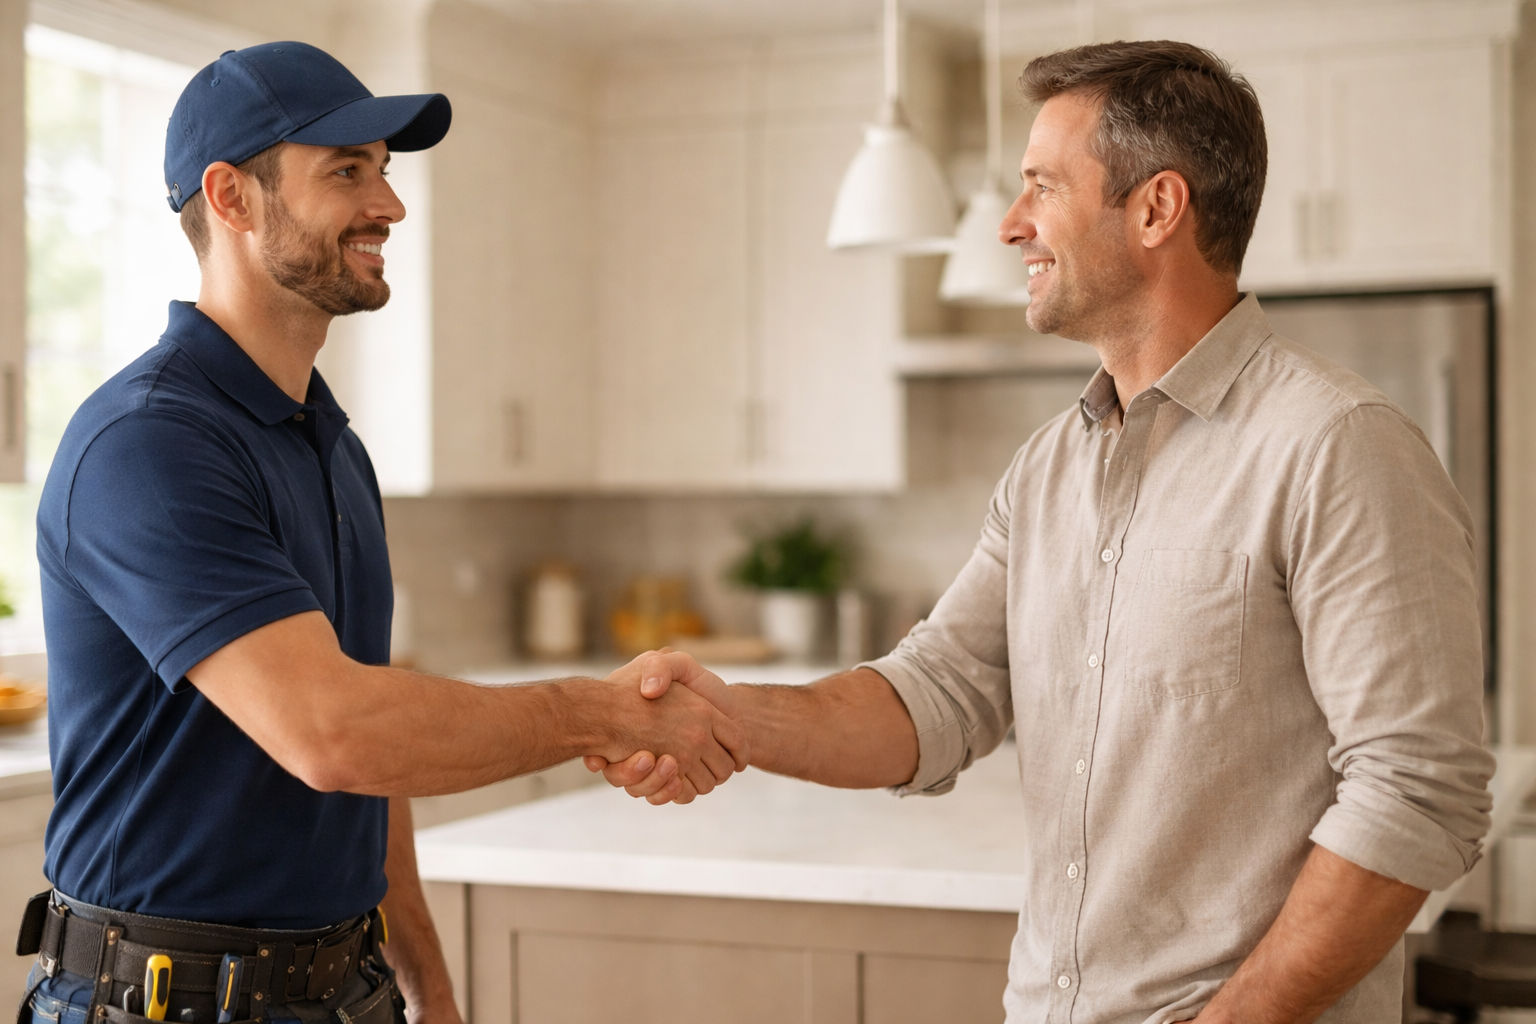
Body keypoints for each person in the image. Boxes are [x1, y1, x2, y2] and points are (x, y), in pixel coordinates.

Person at [590, 40, 1494, 1024]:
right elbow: (939, 690)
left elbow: (1417, 791)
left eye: (1041, 189)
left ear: (1156, 209)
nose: (1012, 226)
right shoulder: (1050, 469)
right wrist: (731, 716)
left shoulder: (1337, 448)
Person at [19, 42, 741, 1024]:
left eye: (384, 171)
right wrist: (600, 711)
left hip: (341, 992)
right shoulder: (150, 442)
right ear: (230, 197)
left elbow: (377, 749)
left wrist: (428, 986)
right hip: (161, 1003)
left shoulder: (330, 444)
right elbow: (335, 731)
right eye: (345, 172)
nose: (391, 206)